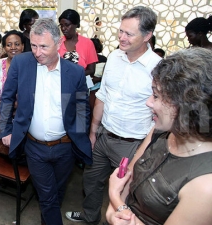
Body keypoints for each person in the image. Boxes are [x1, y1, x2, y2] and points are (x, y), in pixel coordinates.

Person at [65, 6, 162, 224]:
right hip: (103, 136)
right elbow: (102, 96)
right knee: (91, 182)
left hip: (132, 144)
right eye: (121, 31)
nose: (121, 37)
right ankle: (90, 217)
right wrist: (93, 132)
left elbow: (160, 115)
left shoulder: (157, 68)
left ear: (147, 36)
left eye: (129, 33)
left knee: (125, 192)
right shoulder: (115, 57)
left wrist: (144, 150)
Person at [0, 18, 92, 225]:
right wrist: (5, 129)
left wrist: (79, 135)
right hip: (34, 147)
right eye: (33, 45)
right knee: (48, 196)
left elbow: (80, 108)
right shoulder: (22, 64)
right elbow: (7, 97)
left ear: (58, 44)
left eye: (43, 47)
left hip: (65, 148)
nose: (37, 52)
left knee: (56, 193)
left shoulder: (74, 72)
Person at [106, 47, 212, 225]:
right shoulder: (159, 132)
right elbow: (126, 180)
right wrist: (113, 210)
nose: (148, 102)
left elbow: (117, 192)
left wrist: (114, 198)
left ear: (188, 105)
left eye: (156, 95)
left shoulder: (206, 185)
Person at [58, 9, 98, 77]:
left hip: (79, 84)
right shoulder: (57, 43)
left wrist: (74, 76)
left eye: (67, 25)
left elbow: (91, 70)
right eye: (61, 25)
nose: (63, 28)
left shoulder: (88, 43)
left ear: (76, 25)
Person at [89, 38, 107, 111]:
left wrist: (98, 79)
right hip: (86, 86)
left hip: (98, 87)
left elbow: (105, 76)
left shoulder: (103, 59)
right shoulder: (85, 58)